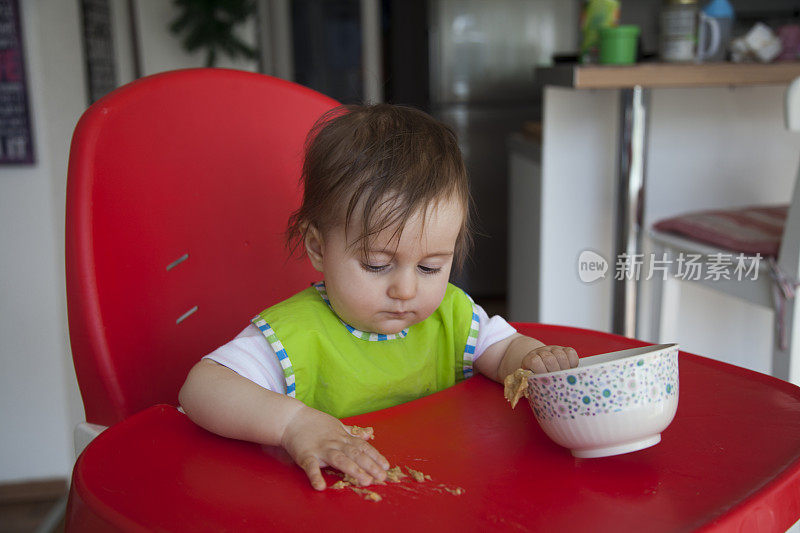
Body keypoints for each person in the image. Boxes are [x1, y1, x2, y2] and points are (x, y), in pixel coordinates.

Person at [179, 104, 579, 491]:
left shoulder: (454, 318)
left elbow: (505, 350)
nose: (406, 290)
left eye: (429, 267)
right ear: (318, 248)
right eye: (376, 264)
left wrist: (533, 358)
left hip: (441, 496)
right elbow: (201, 388)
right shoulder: (295, 336)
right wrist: (293, 424)